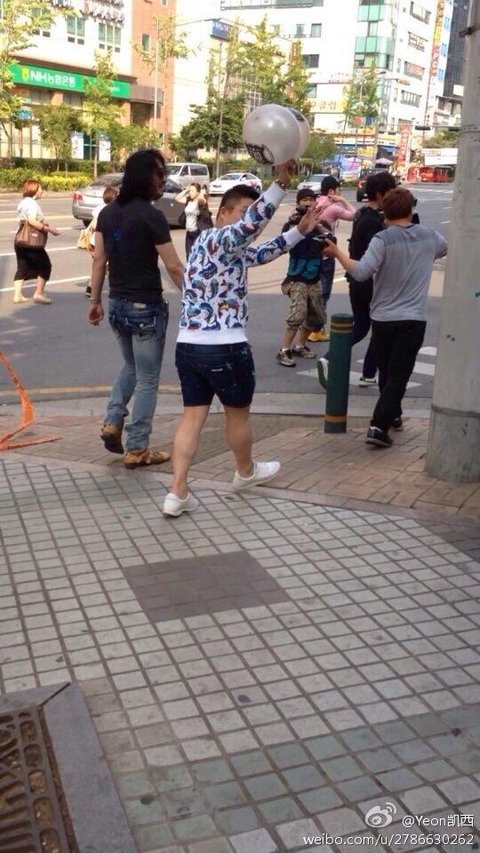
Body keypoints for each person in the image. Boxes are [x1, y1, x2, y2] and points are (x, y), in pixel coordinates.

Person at [162, 161, 324, 518]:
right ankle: (245, 472)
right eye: (243, 212)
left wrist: (298, 232)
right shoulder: (221, 237)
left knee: (192, 416)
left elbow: (262, 252)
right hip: (225, 346)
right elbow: (253, 225)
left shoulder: (209, 245)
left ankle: (177, 491)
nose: (248, 219)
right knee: (237, 416)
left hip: (189, 346)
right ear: (223, 214)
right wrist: (279, 183)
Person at [323, 187, 447, 448]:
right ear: (410, 210)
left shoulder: (382, 239)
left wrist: (338, 253)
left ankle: (389, 418)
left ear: (384, 212)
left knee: (387, 371)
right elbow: (443, 248)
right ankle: (382, 424)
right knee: (399, 374)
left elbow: (361, 272)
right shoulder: (428, 235)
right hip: (412, 318)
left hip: (383, 317)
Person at [87, 148, 184, 469]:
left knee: (130, 365)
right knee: (147, 379)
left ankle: (113, 421)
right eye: (159, 174)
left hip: (116, 303)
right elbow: (173, 266)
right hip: (145, 308)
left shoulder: (108, 213)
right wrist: (195, 298)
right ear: (145, 176)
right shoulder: (151, 215)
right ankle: (137, 448)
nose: (163, 180)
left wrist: (95, 301)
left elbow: (99, 260)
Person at [318, 170, 397, 388]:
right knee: (376, 326)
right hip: (369, 280)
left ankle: (359, 369)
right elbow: (377, 253)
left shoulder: (362, 214)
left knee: (363, 325)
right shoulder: (373, 222)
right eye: (390, 192)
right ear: (380, 194)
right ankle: (364, 370)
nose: (392, 196)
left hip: (356, 279)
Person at [275, 187, 328, 367]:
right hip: (296, 276)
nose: (307, 202)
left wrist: (317, 224)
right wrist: (294, 222)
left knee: (318, 317)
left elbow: (330, 241)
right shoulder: (293, 224)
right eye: (304, 200)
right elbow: (284, 243)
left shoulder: (321, 224)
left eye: (311, 199)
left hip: (314, 275)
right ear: (298, 203)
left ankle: (299, 345)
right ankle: (284, 350)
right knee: (298, 314)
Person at [307, 175, 356, 343]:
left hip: (310, 255)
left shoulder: (314, 203)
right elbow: (355, 215)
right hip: (326, 255)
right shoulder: (333, 207)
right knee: (323, 294)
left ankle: (307, 328)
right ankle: (316, 330)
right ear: (331, 191)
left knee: (312, 292)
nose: (340, 192)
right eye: (339, 189)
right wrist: (342, 200)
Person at [12, 179, 60, 305]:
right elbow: (32, 221)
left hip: (20, 240)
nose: (42, 191)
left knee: (22, 267)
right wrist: (48, 229)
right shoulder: (32, 204)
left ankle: (17, 295)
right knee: (45, 266)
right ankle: (38, 293)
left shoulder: (23, 202)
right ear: (34, 190)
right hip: (31, 242)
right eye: (40, 189)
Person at [85, 184, 118, 298]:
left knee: (98, 264)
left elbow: (93, 225)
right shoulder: (112, 210)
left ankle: (91, 286)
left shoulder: (99, 209)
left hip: (94, 241)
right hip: (105, 241)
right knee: (106, 265)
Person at [175, 182, 208, 259]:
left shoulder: (199, 202)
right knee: (188, 255)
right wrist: (186, 190)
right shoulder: (188, 201)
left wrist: (201, 192)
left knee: (196, 255)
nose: (190, 192)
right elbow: (177, 198)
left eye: (192, 191)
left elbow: (202, 200)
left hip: (197, 232)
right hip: (189, 233)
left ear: (198, 192)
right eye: (190, 191)